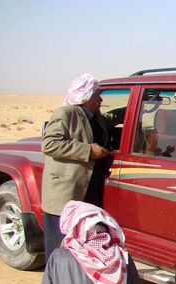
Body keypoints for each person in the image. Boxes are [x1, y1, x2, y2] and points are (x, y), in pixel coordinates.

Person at [41, 73, 123, 261]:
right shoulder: (66, 113)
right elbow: (49, 144)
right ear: (86, 97)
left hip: (88, 188)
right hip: (66, 192)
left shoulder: (94, 116)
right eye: (97, 95)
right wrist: (88, 150)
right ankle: (57, 283)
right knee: (61, 246)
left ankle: (78, 282)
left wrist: (145, 105)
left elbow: (113, 117)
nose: (101, 99)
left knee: (83, 242)